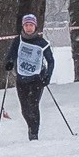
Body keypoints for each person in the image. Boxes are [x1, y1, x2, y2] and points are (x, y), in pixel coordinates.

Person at [13, 10, 56, 139]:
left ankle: (34, 133)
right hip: (21, 79)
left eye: (31, 25)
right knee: (24, 109)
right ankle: (31, 126)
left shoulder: (42, 43)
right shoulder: (18, 41)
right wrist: (9, 63)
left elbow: (51, 61)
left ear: (35, 26)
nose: (29, 28)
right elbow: (11, 55)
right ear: (23, 26)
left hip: (37, 79)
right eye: (26, 25)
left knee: (33, 104)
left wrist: (48, 76)